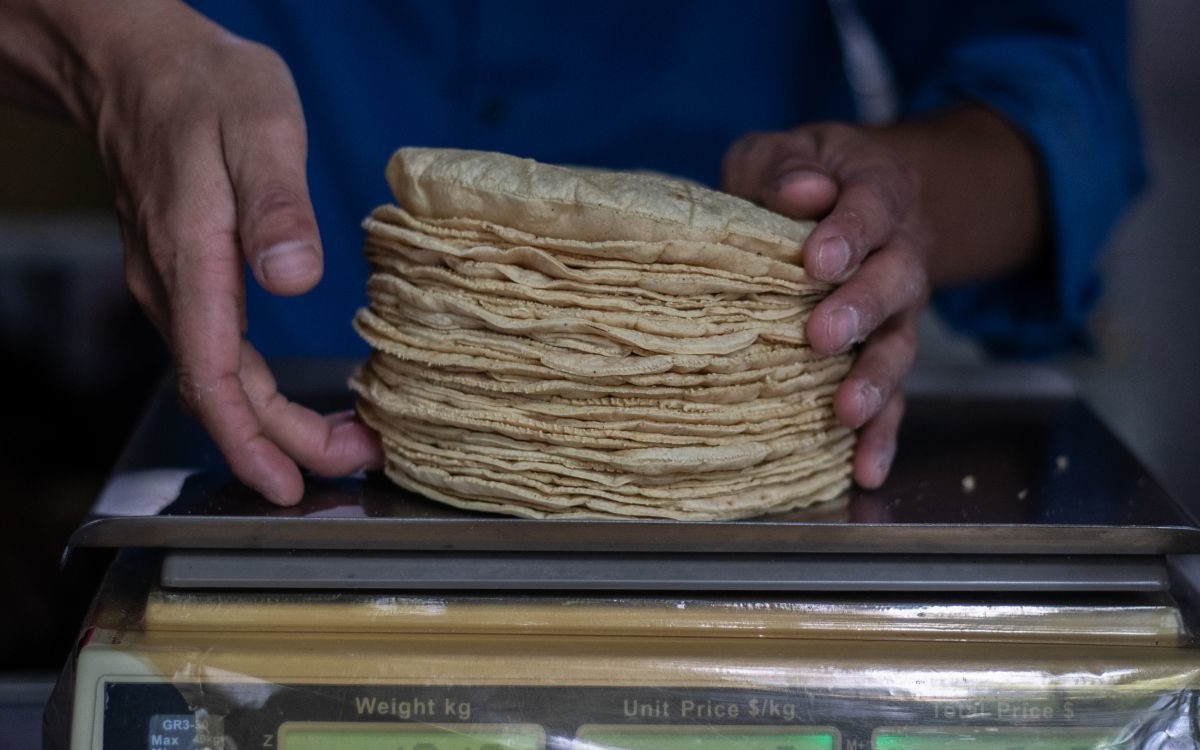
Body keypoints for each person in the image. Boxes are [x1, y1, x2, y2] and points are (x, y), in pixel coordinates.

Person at [0, 1, 1143, 506]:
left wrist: (902, 199)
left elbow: (1055, 89)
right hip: (271, 437)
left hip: (756, 415)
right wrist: (115, 43)